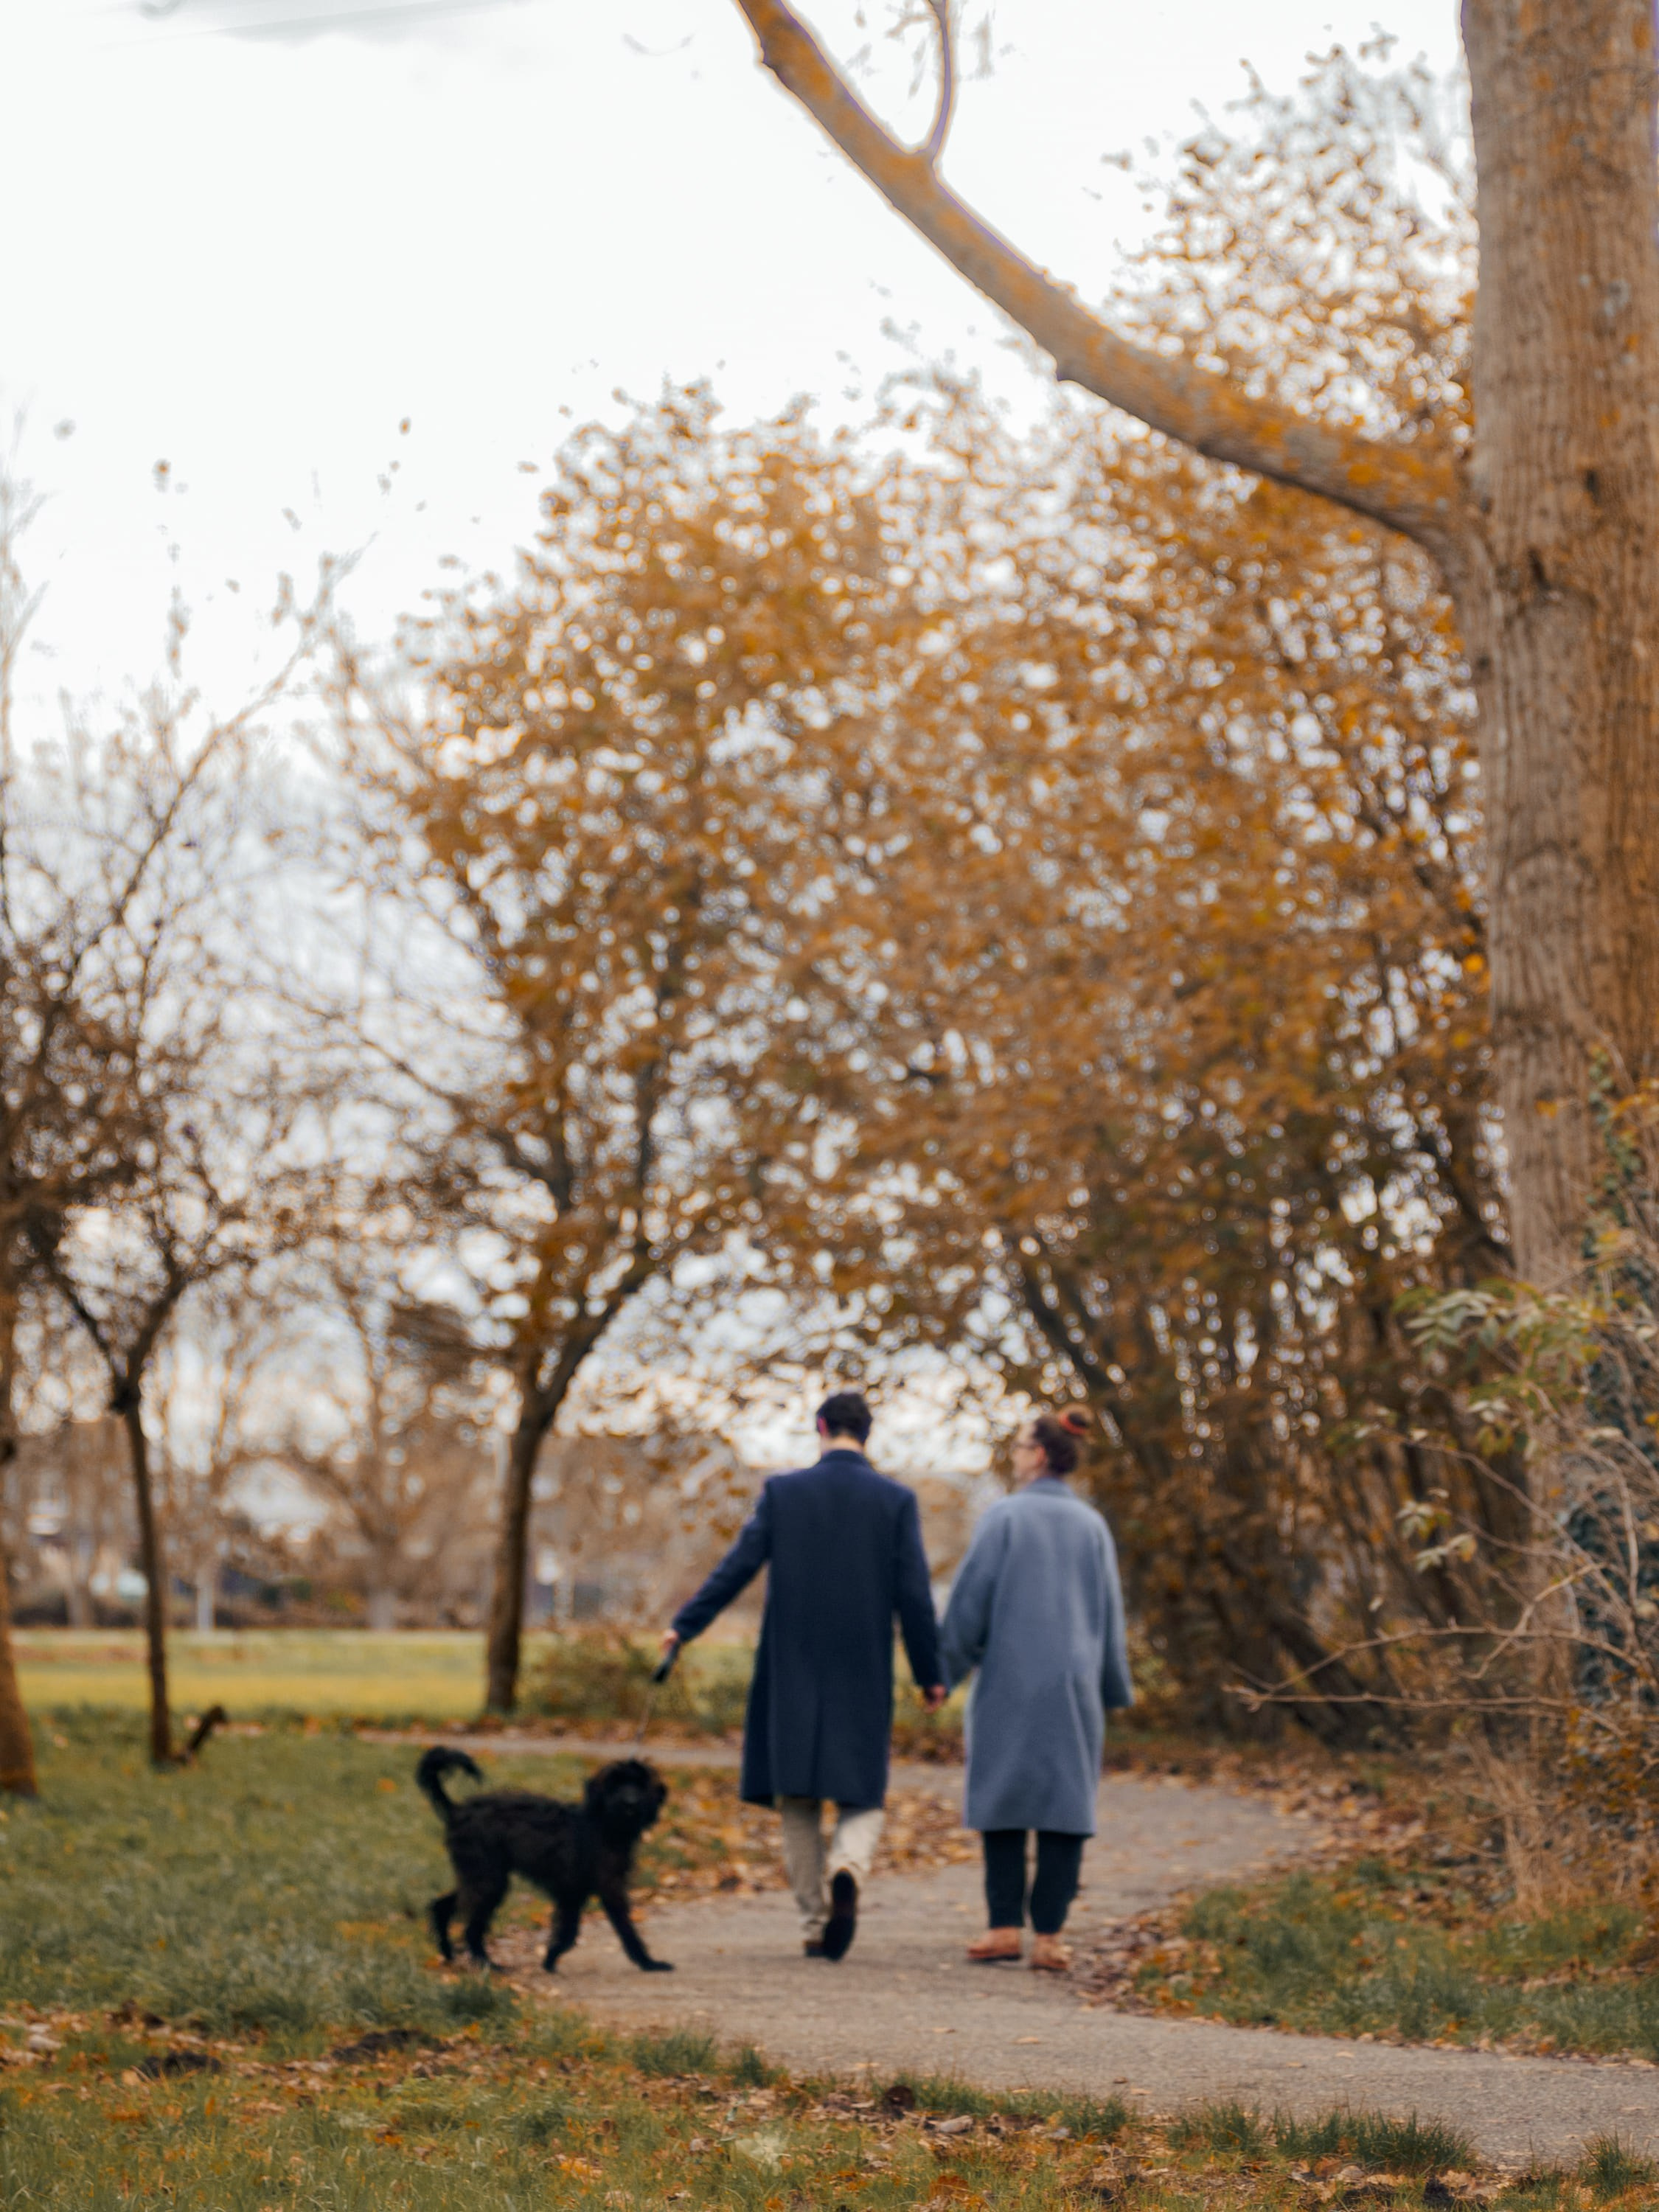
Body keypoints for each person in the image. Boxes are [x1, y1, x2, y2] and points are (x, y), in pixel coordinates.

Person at [661, 1390, 945, 1962]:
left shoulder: (783, 1493)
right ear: (868, 1433)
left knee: (797, 1798)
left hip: (791, 1663)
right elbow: (914, 1594)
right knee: (862, 1790)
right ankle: (848, 1865)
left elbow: (736, 1567)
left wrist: (684, 1627)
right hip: (863, 1661)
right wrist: (929, 1672)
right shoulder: (894, 1501)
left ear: (820, 1427)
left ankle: (816, 1922)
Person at [939, 1406, 1133, 1972]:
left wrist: (944, 1672)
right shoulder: (1092, 1526)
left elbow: (969, 1605)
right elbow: (1109, 1615)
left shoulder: (1004, 1518)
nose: (1015, 1454)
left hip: (1007, 1682)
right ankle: (1049, 1937)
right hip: (1074, 1688)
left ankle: (1003, 1927)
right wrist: (1112, 1688)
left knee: (1001, 1801)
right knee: (1065, 1809)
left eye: (1022, 1446)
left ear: (1041, 1455)